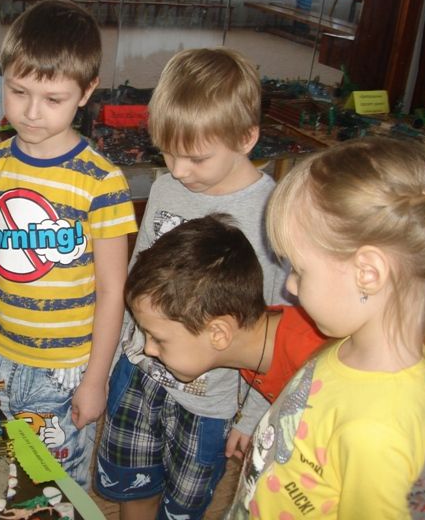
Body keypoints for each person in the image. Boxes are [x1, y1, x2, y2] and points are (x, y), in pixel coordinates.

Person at [125, 213, 425, 519]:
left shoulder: (317, 348)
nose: (149, 348)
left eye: (158, 339)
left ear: (218, 333)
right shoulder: (257, 345)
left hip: (406, 459)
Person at [227, 136, 425, 517]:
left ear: (367, 274)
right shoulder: (348, 344)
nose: (290, 286)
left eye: (299, 270)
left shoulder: (375, 430)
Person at [0, 0, 137, 488]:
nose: (31, 112)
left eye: (53, 99)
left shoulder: (102, 182)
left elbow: (112, 291)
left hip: (66, 369)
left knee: (52, 483)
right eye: (18, 91)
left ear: (87, 91)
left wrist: (95, 379)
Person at [95, 47, 288, 519]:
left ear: (247, 137)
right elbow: (138, 277)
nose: (179, 170)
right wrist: (114, 357)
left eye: (197, 157)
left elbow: (275, 326)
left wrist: (254, 414)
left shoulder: (272, 215)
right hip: (140, 372)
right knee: (130, 485)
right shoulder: (166, 188)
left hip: (209, 401)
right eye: (168, 151)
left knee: (183, 506)